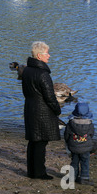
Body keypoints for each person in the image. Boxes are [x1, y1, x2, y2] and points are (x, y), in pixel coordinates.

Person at [21, 41, 61, 180]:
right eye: (46, 53)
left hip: (30, 107)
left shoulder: (26, 70)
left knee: (33, 141)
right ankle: (39, 172)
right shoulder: (43, 74)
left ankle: (32, 171)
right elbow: (49, 96)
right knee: (41, 142)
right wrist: (57, 110)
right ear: (39, 56)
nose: (49, 56)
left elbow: (26, 92)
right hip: (42, 111)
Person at [64, 103, 95, 185]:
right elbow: (92, 134)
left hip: (74, 147)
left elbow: (66, 135)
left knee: (74, 163)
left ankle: (72, 178)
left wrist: (68, 143)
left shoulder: (71, 123)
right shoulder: (90, 124)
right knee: (85, 162)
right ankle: (84, 178)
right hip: (86, 148)